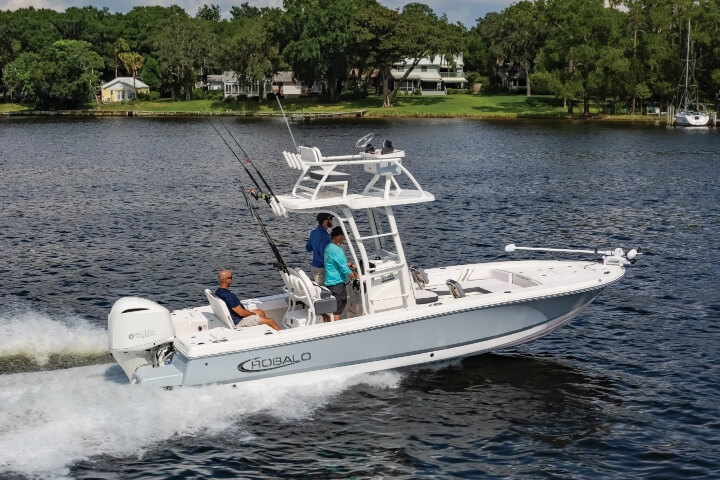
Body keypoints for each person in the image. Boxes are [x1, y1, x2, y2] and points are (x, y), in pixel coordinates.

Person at [214, 269, 281, 331]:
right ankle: (281, 335)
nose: (232, 279)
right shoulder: (229, 296)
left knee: (260, 312)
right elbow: (241, 313)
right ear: (226, 280)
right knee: (270, 321)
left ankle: (263, 330)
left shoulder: (219, 292)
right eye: (231, 277)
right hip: (240, 321)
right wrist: (252, 313)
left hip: (235, 317)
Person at [324, 226, 358, 321]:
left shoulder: (329, 247)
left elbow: (334, 263)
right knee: (336, 310)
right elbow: (345, 270)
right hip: (337, 284)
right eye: (344, 235)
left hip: (331, 282)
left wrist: (351, 264)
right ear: (339, 236)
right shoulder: (337, 250)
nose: (345, 238)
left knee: (339, 306)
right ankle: (335, 329)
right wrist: (356, 276)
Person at [306, 213, 333, 285]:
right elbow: (325, 256)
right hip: (321, 269)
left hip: (314, 266)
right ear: (325, 221)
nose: (332, 221)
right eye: (331, 219)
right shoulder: (325, 237)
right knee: (322, 291)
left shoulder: (313, 232)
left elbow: (308, 248)